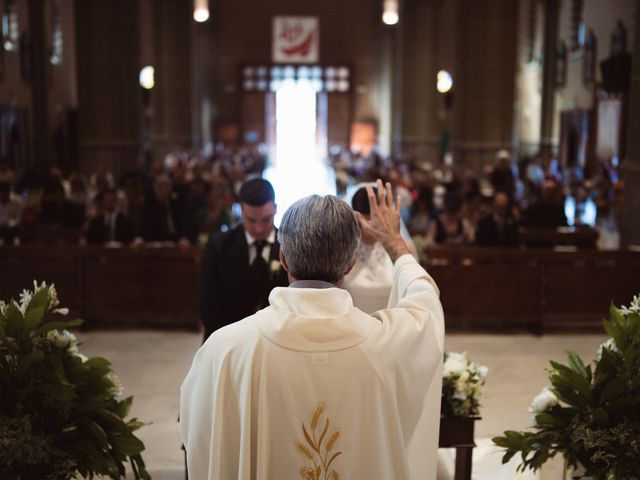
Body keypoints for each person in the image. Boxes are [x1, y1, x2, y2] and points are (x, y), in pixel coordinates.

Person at [181, 180, 445, 479]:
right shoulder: (387, 342)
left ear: (282, 259)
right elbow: (425, 305)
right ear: (349, 266)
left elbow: (197, 433)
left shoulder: (226, 349)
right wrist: (394, 242)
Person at [198, 177, 288, 341]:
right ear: (241, 210)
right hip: (226, 340)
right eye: (251, 220)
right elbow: (208, 304)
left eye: (266, 219)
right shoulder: (219, 246)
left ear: (275, 208)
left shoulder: (289, 246)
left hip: (274, 344)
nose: (259, 228)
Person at [343, 184, 416, 313]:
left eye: (376, 218)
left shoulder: (401, 249)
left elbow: (411, 293)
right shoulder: (343, 250)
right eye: (366, 218)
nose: (371, 225)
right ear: (356, 216)